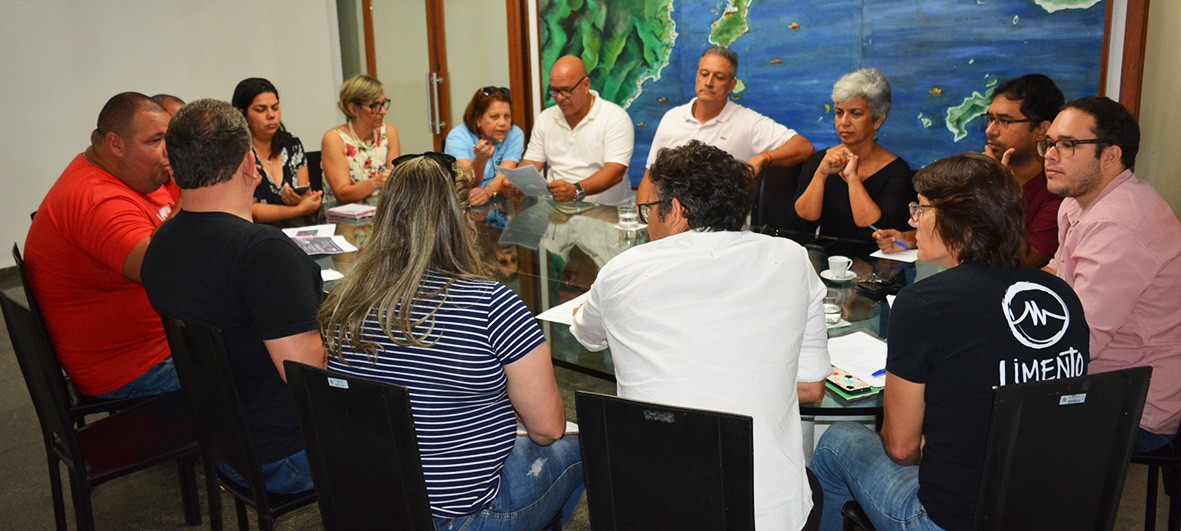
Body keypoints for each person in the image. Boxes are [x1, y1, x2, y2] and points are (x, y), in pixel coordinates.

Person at [812, 152, 1089, 531]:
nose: (914, 221)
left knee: (835, 441)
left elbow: (901, 448)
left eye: (921, 209)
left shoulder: (924, 303)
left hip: (951, 519)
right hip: (1045, 508)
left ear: (961, 222)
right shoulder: (1061, 294)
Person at [571, 140, 830, 529]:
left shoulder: (623, 269)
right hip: (769, 516)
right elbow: (811, 388)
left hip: (648, 509)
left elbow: (587, 334)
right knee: (814, 486)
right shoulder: (792, 258)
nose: (648, 222)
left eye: (650, 210)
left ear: (675, 210)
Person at [319, 153, 583, 529]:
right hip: (462, 517)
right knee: (578, 446)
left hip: (372, 504)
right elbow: (547, 428)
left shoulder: (346, 302)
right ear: (461, 220)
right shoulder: (493, 304)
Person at [142, 99, 326, 494]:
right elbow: (309, 377)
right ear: (249, 163)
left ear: (175, 167)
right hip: (287, 455)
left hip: (225, 443)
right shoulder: (262, 253)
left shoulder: (160, 242)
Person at [1043, 96, 1181, 451]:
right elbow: (1056, 273)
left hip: (1134, 403)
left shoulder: (1117, 225)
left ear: (1110, 155)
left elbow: (1080, 344)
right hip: (1102, 377)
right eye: (1050, 142)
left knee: (980, 415)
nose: (1050, 154)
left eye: (1068, 145)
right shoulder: (1079, 200)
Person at [24, 92, 180, 399]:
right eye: (155, 140)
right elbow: (162, 270)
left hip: (161, 343)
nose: (168, 152)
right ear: (116, 144)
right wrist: (193, 191)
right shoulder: (96, 199)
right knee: (265, 365)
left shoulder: (131, 176)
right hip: (135, 369)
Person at [874, 74, 1065, 268]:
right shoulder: (978, 174)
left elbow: (1023, 262)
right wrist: (909, 238)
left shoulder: (1057, 189)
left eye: (1005, 121)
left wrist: (998, 188)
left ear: (1041, 129)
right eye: (990, 119)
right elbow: (962, 233)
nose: (990, 131)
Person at [635, 46, 815, 204]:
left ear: (731, 85)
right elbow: (650, 177)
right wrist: (643, 222)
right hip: (670, 227)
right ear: (697, 76)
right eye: (704, 74)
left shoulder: (748, 122)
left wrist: (764, 158)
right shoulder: (672, 118)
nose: (709, 82)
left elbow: (804, 147)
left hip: (723, 230)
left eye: (719, 77)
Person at [795, 68, 914, 256]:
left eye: (855, 113)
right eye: (839, 113)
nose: (844, 122)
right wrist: (821, 174)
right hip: (828, 264)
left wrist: (853, 179)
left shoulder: (897, 172)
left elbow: (875, 231)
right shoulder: (819, 161)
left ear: (877, 120)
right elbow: (803, 223)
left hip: (880, 270)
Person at [520, 56, 634, 205]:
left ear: (586, 85)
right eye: (554, 91)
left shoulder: (614, 117)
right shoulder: (546, 118)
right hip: (558, 212)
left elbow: (615, 172)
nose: (560, 98)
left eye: (567, 90)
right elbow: (532, 161)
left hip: (605, 214)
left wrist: (576, 190)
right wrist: (516, 182)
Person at [231, 77, 323, 224]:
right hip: (257, 235)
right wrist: (299, 209)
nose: (271, 115)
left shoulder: (292, 145)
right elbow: (250, 209)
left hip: (296, 231)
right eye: (261, 110)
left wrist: (301, 199)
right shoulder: (237, 152)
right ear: (242, 114)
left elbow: (306, 193)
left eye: (275, 107)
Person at [320, 74, 401, 211]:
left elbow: (395, 179)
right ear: (352, 109)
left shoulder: (389, 132)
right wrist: (376, 182)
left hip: (383, 213)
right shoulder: (334, 139)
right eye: (375, 106)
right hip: (344, 217)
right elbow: (342, 194)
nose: (383, 111)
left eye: (384, 103)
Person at [444, 85, 525, 205]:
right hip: (465, 203)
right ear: (478, 119)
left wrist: (488, 192)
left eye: (507, 116)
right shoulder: (457, 137)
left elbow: (505, 173)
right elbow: (467, 182)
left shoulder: (515, 134)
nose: (502, 123)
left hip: (499, 202)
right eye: (495, 117)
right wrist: (480, 159)